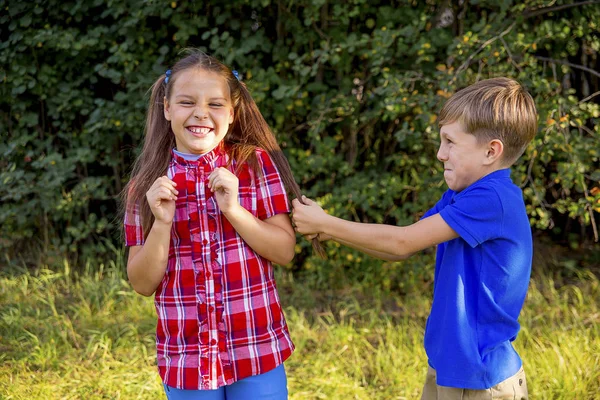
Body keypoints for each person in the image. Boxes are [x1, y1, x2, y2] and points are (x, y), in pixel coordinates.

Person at [292, 77, 536, 399]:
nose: (440, 154)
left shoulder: (493, 199)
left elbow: (402, 242)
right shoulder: (462, 195)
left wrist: (328, 223)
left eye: (450, 142)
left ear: (491, 151)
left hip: (480, 378)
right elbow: (400, 249)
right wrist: (327, 229)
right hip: (450, 366)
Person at [123, 50, 311, 400]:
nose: (201, 114)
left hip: (256, 347)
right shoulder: (146, 185)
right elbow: (142, 282)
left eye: (215, 104)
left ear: (232, 112)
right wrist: (162, 223)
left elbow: (284, 251)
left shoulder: (255, 165)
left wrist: (234, 210)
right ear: (166, 108)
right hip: (186, 358)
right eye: (186, 102)